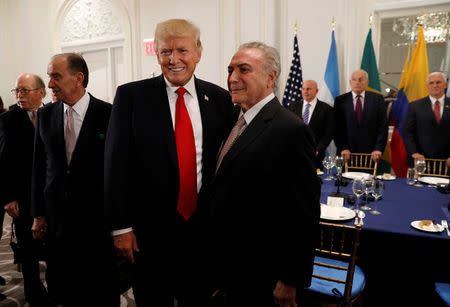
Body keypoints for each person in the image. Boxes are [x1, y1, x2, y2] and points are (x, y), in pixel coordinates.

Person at [104, 19, 234, 306]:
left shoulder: (220, 100)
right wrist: (121, 228)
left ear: (198, 52)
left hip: (202, 232)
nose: (174, 60)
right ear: (157, 54)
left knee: (197, 298)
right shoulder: (131, 97)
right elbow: (115, 166)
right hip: (148, 234)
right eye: (165, 52)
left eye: (182, 51)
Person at [209, 42, 320, 307]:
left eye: (243, 69)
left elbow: (303, 214)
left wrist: (291, 279)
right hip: (230, 268)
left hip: (265, 276)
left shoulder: (290, 130)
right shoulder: (233, 121)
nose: (232, 78)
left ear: (271, 76)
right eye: (230, 70)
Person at [31, 53, 119, 306]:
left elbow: (119, 171)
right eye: (49, 77)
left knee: (100, 289)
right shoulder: (45, 115)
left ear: (78, 78)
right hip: (57, 221)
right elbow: (39, 166)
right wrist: (38, 214)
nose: (49, 85)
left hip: (97, 222)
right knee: (63, 288)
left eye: (55, 76)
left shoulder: (109, 114)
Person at [0, 75, 49, 305]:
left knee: (54, 247)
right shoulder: (8, 119)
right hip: (23, 195)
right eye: (17, 90)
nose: (19, 95)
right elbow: (3, 161)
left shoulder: (54, 113)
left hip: (51, 195)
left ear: (41, 92)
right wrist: (8, 197)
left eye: (25, 90)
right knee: (28, 248)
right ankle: (33, 292)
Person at [334, 69, 388, 162]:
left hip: (371, 154)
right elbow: (337, 128)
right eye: (354, 79)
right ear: (350, 82)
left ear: (367, 82)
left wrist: (378, 148)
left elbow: (382, 127)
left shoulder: (377, 99)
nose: (357, 82)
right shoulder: (340, 100)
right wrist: (343, 147)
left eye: (361, 79)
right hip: (347, 154)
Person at [404, 72, 450, 167]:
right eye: (431, 83)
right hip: (421, 160)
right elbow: (408, 133)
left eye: (438, 82)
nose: (435, 86)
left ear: (446, 85)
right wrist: (414, 152)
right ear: (427, 86)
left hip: (447, 162)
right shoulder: (415, 106)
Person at [288, 79, 334, 169]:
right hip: (295, 154)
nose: (305, 92)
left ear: (316, 91)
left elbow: (329, 133)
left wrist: (318, 149)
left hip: (316, 155)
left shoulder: (327, 109)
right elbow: (288, 129)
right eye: (303, 89)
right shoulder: (292, 107)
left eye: (308, 89)